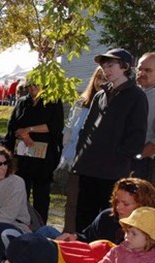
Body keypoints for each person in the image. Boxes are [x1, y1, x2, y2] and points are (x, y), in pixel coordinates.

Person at [72, 48, 148, 234]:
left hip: (113, 171)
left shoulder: (137, 96)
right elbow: (86, 130)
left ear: (125, 67)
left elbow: (137, 135)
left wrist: (119, 156)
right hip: (88, 167)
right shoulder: (100, 95)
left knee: (110, 219)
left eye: (111, 65)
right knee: (83, 217)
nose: (106, 70)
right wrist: (81, 157)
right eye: (104, 66)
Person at [1, 80, 64, 223]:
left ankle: (40, 225)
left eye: (36, 85)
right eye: (30, 85)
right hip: (23, 155)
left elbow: (55, 126)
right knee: (21, 189)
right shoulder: (22, 102)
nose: (32, 88)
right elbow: (12, 125)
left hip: (44, 157)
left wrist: (29, 130)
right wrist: (22, 135)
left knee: (41, 194)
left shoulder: (53, 101)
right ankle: (20, 222)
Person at [56, 67, 106, 233]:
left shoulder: (111, 106)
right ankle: (68, 234)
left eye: (106, 79)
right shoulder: (81, 104)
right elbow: (69, 130)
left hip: (96, 163)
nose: (102, 82)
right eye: (99, 78)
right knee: (72, 202)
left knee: (91, 205)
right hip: (75, 160)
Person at [57, 177, 155, 244]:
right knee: (47, 232)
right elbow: (88, 239)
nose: (118, 207)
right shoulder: (107, 217)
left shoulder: (150, 230)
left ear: (143, 206)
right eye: (117, 201)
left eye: (126, 204)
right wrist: (74, 238)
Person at [133, 52, 155, 183]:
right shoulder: (131, 93)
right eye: (139, 69)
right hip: (118, 161)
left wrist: (138, 157)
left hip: (142, 163)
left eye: (148, 70)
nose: (141, 73)